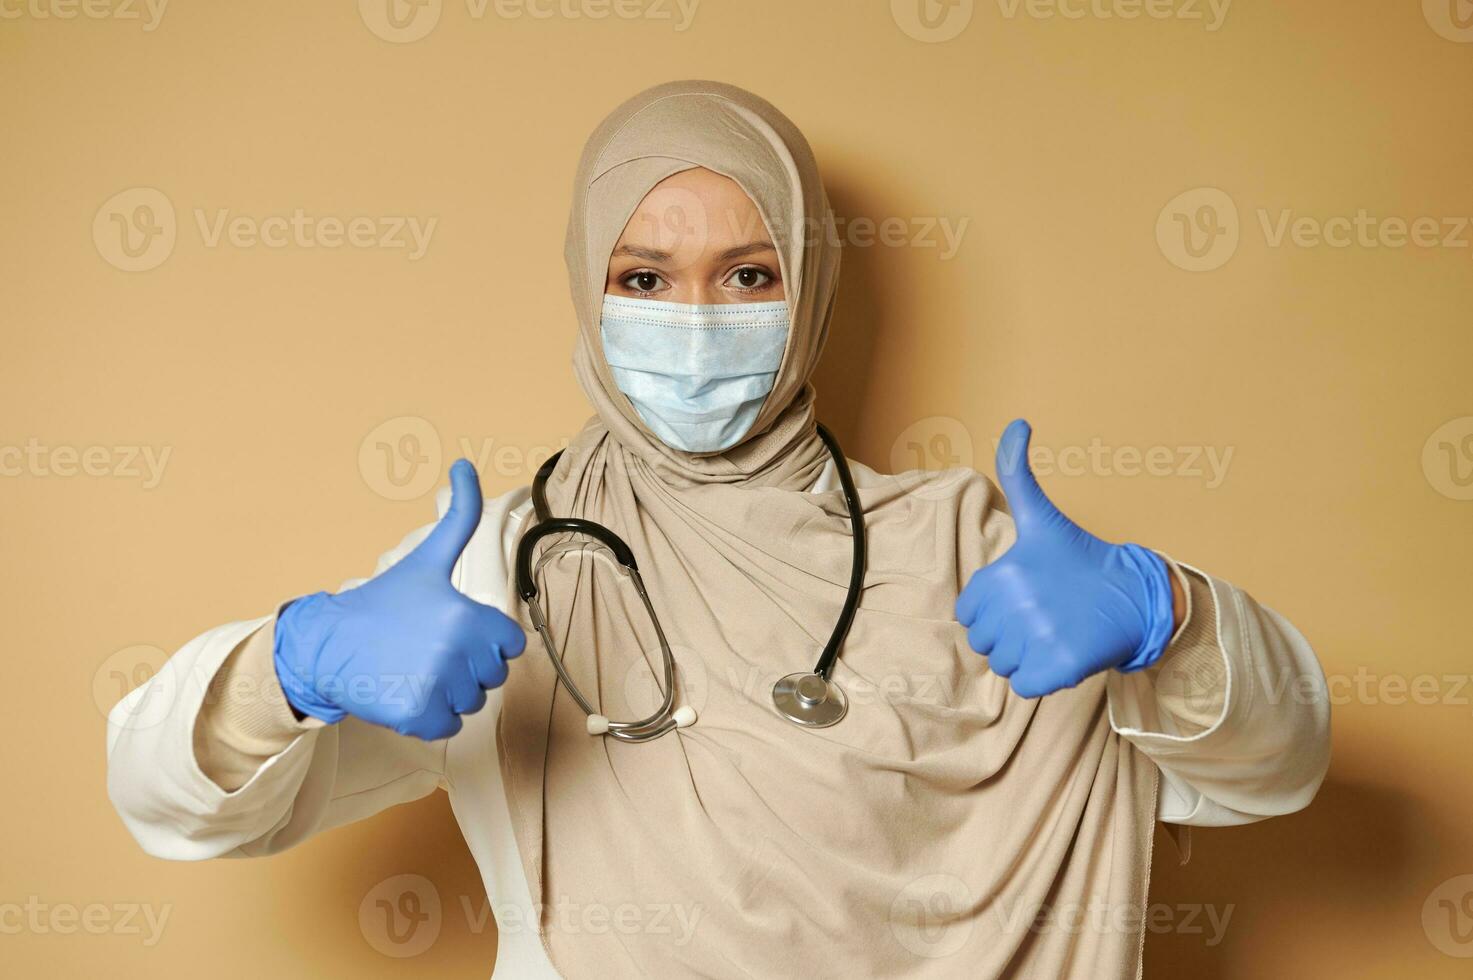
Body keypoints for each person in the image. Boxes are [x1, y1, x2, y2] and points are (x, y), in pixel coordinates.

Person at [106, 79, 1330, 978]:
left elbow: (1276, 770)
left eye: (751, 275)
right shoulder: (509, 571)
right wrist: (293, 662)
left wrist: (1178, 615)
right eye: (644, 277)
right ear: (589, 286)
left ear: (813, 294)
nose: (696, 315)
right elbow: (174, 803)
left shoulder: (973, 546)